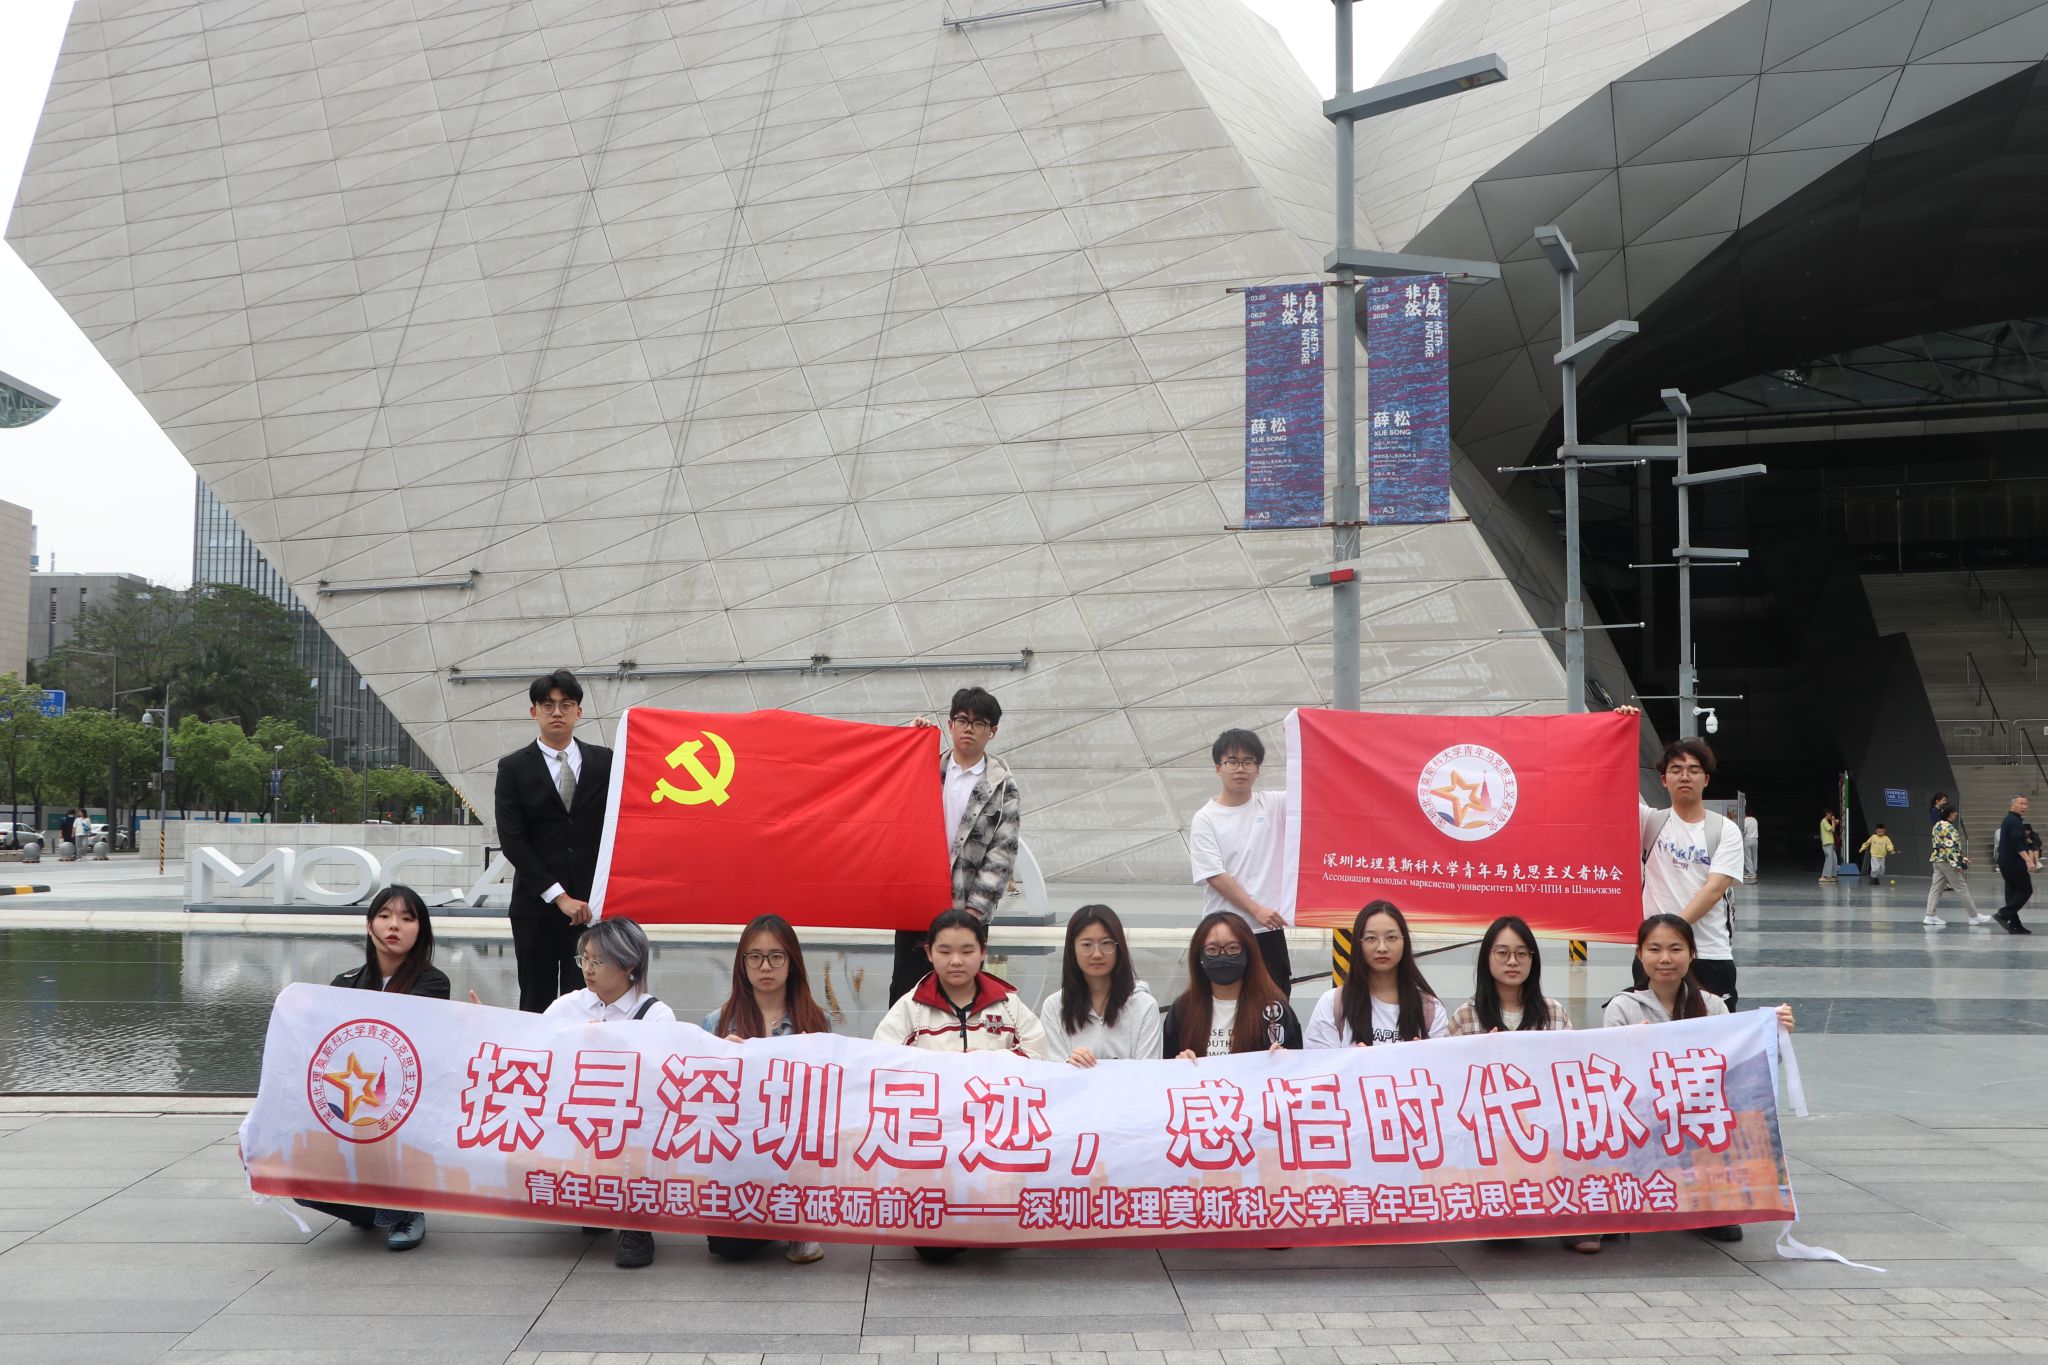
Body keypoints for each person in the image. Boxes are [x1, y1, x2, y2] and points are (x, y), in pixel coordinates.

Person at [1599, 914, 1795, 1247]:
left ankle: (1711, 1200)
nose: (1665, 959)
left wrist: (1774, 1036)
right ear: (1639, 954)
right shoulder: (1622, 1007)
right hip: (1644, 1116)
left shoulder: (1712, 1005)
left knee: (1732, 1114)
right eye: (1654, 949)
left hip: (1696, 1117)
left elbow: (1739, 1066)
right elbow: (1610, 1076)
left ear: (1692, 954)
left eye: (1675, 949)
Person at [874, 909, 1048, 1263]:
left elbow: (1039, 1056)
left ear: (984, 951)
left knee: (1000, 1232)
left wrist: (988, 1063)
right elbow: (881, 1063)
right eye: (945, 951)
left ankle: (992, 1210)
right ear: (928, 953)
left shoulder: (1008, 1005)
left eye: (967, 951)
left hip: (995, 1136)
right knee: (934, 1249)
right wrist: (944, 1069)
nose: (956, 961)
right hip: (933, 1139)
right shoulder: (910, 1007)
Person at [295, 885, 450, 1251]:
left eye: (407, 918)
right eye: (384, 916)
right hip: (351, 1099)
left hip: (405, 1101)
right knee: (300, 1184)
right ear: (369, 925)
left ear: (421, 931)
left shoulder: (432, 982)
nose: (394, 925)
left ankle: (406, 1210)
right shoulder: (345, 983)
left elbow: (398, 1032)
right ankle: (370, 1208)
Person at [545, 917, 675, 1269]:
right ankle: (595, 1198)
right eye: (584, 959)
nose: (587, 969)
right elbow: (538, 1055)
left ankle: (636, 1225)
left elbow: (660, 1080)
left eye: (598, 961)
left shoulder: (655, 1014)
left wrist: (609, 1046)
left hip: (628, 1124)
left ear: (628, 965)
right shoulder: (567, 1007)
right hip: (578, 1117)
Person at [702, 915, 832, 1266]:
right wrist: (722, 1061)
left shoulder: (815, 1021)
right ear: (742, 963)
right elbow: (703, 1100)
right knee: (727, 1249)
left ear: (792, 961)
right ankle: (777, 1218)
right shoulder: (718, 1022)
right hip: (740, 1154)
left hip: (793, 1150)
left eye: (776, 956)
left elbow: (829, 1099)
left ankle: (796, 1218)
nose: (765, 967)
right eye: (755, 957)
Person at [889, 688, 1022, 1003]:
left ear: (992, 731)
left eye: (979, 723)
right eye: (962, 720)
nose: (969, 729)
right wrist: (909, 738)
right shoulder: (926, 768)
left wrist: (974, 912)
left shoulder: (1002, 785)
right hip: (918, 906)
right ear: (950, 724)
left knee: (961, 995)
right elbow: (887, 783)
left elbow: (1002, 854)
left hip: (967, 909)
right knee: (907, 992)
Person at [495, 669, 614, 1012]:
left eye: (566, 704)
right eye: (547, 705)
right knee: (536, 1003)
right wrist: (558, 896)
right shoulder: (513, 767)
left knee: (588, 1003)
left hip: (590, 908)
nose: (557, 712)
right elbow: (512, 839)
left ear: (579, 711)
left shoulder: (605, 762)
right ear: (534, 712)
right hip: (536, 908)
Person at [1633, 735, 1746, 1008]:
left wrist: (1671, 932)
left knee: (1714, 1030)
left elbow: (1714, 889)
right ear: (1664, 780)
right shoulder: (1648, 821)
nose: (1685, 776)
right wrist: (1620, 725)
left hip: (1708, 952)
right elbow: (1610, 781)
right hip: (1654, 954)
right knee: (1654, 1028)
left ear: (1705, 779)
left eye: (1694, 770)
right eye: (1676, 770)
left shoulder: (1724, 830)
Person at [1188, 728, 1293, 995]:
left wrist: (1297, 738)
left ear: (1258, 769)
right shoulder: (1206, 818)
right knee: (1224, 1005)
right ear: (1218, 768)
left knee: (1275, 1004)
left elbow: (1311, 785)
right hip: (1224, 933)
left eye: (1248, 761)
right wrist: (1256, 910)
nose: (1240, 769)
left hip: (1268, 930)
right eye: (1232, 761)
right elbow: (1215, 875)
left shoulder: (1273, 804)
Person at [1305, 901, 1448, 1047]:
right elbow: (1319, 1060)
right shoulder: (1332, 1004)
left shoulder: (1430, 1010)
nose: (1382, 948)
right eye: (1371, 938)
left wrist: (1423, 1056)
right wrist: (1354, 1059)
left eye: (1391, 938)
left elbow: (1443, 1059)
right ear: (1358, 944)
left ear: (1404, 942)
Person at [1037, 903, 1162, 1066]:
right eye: (1086, 945)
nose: (1097, 954)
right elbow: (1051, 1071)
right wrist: (1068, 1064)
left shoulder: (1145, 1006)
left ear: (1119, 947)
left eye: (1106, 943)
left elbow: (1148, 1072)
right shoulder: (1054, 1007)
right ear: (1072, 950)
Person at [1166, 910, 1302, 1057]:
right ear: (1198, 955)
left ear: (1249, 952)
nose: (1222, 956)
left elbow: (1298, 1064)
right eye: (1212, 950)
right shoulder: (1182, 1010)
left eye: (1233, 948)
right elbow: (1166, 1064)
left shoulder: (1275, 1011)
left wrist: (1284, 1058)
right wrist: (1178, 1063)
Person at [1446, 915, 1569, 1037]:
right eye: (1502, 953)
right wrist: (1482, 1047)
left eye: (1521, 953)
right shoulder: (1464, 1017)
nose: (1512, 961)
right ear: (1486, 957)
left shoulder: (1555, 1014)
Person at [1926, 806, 1992, 929]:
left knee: (1936, 889)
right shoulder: (1949, 828)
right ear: (1949, 814)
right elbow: (1950, 847)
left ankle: (1929, 915)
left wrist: (1962, 857)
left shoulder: (1937, 826)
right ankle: (1974, 916)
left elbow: (1944, 846)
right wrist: (1958, 864)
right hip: (1948, 862)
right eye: (1954, 812)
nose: (1956, 814)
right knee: (1962, 888)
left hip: (1937, 860)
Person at [1996, 795, 2034, 935]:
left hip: (2005, 861)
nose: (2024, 806)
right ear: (2013, 805)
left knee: (2011, 892)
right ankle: (2003, 914)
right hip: (2013, 863)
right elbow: (2016, 842)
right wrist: (2028, 860)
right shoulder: (2015, 821)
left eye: (2026, 804)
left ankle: (2015, 924)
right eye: (2021, 803)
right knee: (2026, 890)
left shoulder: (2009, 819)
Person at [1819, 808, 1838, 882]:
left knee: (1834, 859)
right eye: (1831, 814)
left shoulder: (1826, 822)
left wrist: (1834, 823)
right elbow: (1833, 830)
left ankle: (1831, 875)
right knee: (1829, 859)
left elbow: (1832, 829)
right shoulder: (1824, 821)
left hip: (1830, 843)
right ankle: (1824, 876)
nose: (1831, 816)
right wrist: (1833, 821)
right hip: (1827, 843)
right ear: (1827, 814)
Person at [1741, 808, 1759, 884]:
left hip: (1748, 840)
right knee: (1754, 856)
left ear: (1745, 813)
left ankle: (1750, 873)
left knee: (1747, 856)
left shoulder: (1745, 820)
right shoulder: (1755, 820)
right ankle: (1754, 872)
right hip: (1755, 840)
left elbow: (1744, 830)